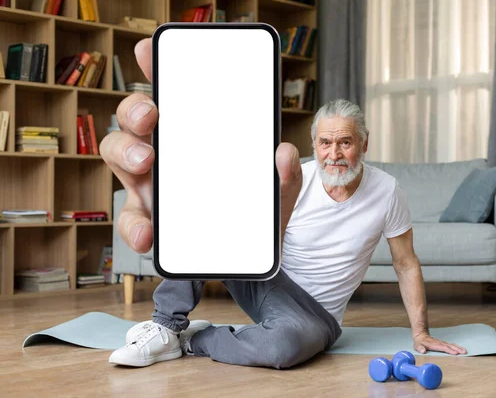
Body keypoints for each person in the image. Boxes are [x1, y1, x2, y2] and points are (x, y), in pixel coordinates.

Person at [101, 38, 467, 369]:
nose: (334, 154)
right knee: (213, 214)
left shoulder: (387, 191)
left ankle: (195, 340)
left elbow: (406, 264)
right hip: (266, 277)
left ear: (364, 143)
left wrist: (421, 333)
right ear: (314, 145)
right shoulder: (295, 178)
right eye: (326, 143)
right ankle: (166, 326)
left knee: (282, 348)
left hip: (315, 317)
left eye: (345, 142)